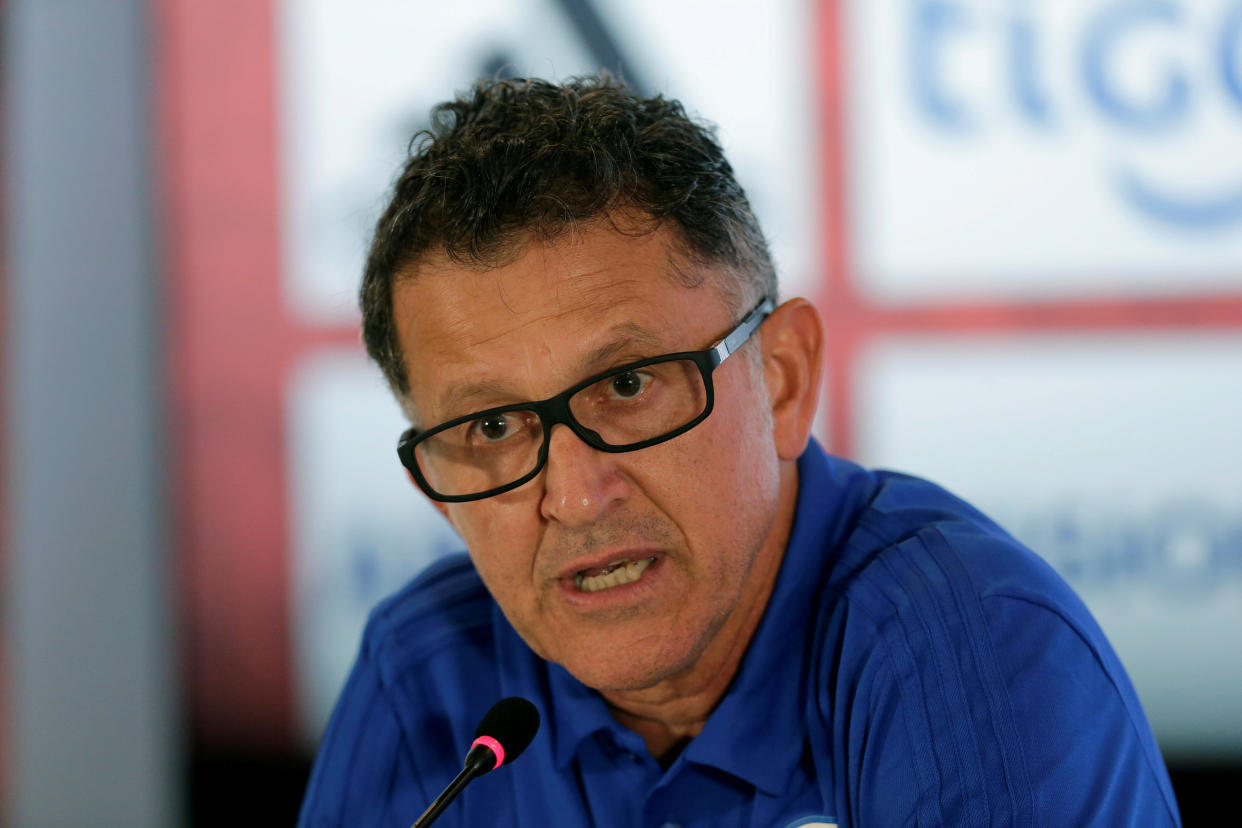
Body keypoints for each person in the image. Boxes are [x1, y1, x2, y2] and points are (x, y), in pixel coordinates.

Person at [297, 75, 1181, 827]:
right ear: (439, 489)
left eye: (630, 385)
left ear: (784, 380)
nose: (574, 493)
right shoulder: (425, 680)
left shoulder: (976, 656)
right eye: (491, 428)